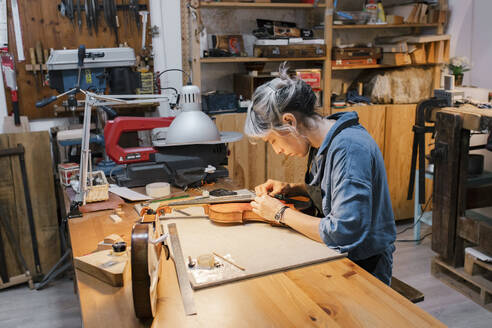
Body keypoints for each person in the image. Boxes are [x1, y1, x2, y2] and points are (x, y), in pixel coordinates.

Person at [245, 66, 396, 285]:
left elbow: (343, 233)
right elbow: (335, 191)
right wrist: (292, 187)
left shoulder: (349, 149)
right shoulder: (323, 142)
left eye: (273, 140)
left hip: (364, 267)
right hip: (342, 257)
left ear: (289, 122)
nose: (277, 151)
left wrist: (280, 213)